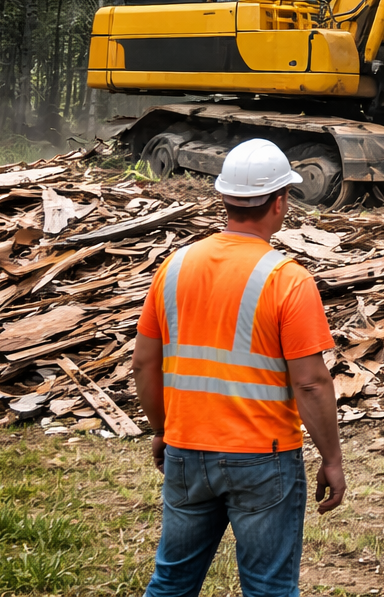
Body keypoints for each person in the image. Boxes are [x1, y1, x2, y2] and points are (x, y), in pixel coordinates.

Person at [131, 138, 345, 597]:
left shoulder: (174, 266)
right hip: (262, 458)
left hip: (186, 450)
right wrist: (331, 458)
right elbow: (310, 384)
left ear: (224, 198)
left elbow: (144, 364)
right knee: (268, 589)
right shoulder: (287, 279)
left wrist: (162, 429)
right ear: (281, 200)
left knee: (171, 582)